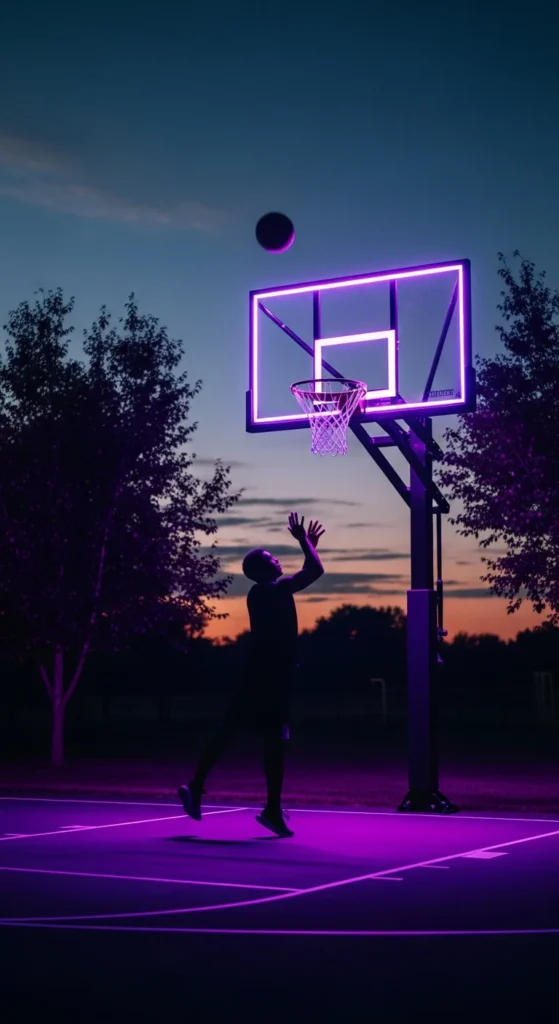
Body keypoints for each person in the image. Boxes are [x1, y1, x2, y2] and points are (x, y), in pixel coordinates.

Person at [178, 512, 325, 838]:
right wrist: (304, 543)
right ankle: (207, 788)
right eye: (272, 558)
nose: (277, 560)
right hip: (267, 676)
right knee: (258, 735)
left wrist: (308, 546)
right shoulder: (269, 590)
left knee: (255, 735)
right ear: (262, 569)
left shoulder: (269, 592)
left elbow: (306, 570)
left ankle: (260, 805)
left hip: (268, 674)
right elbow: (314, 571)